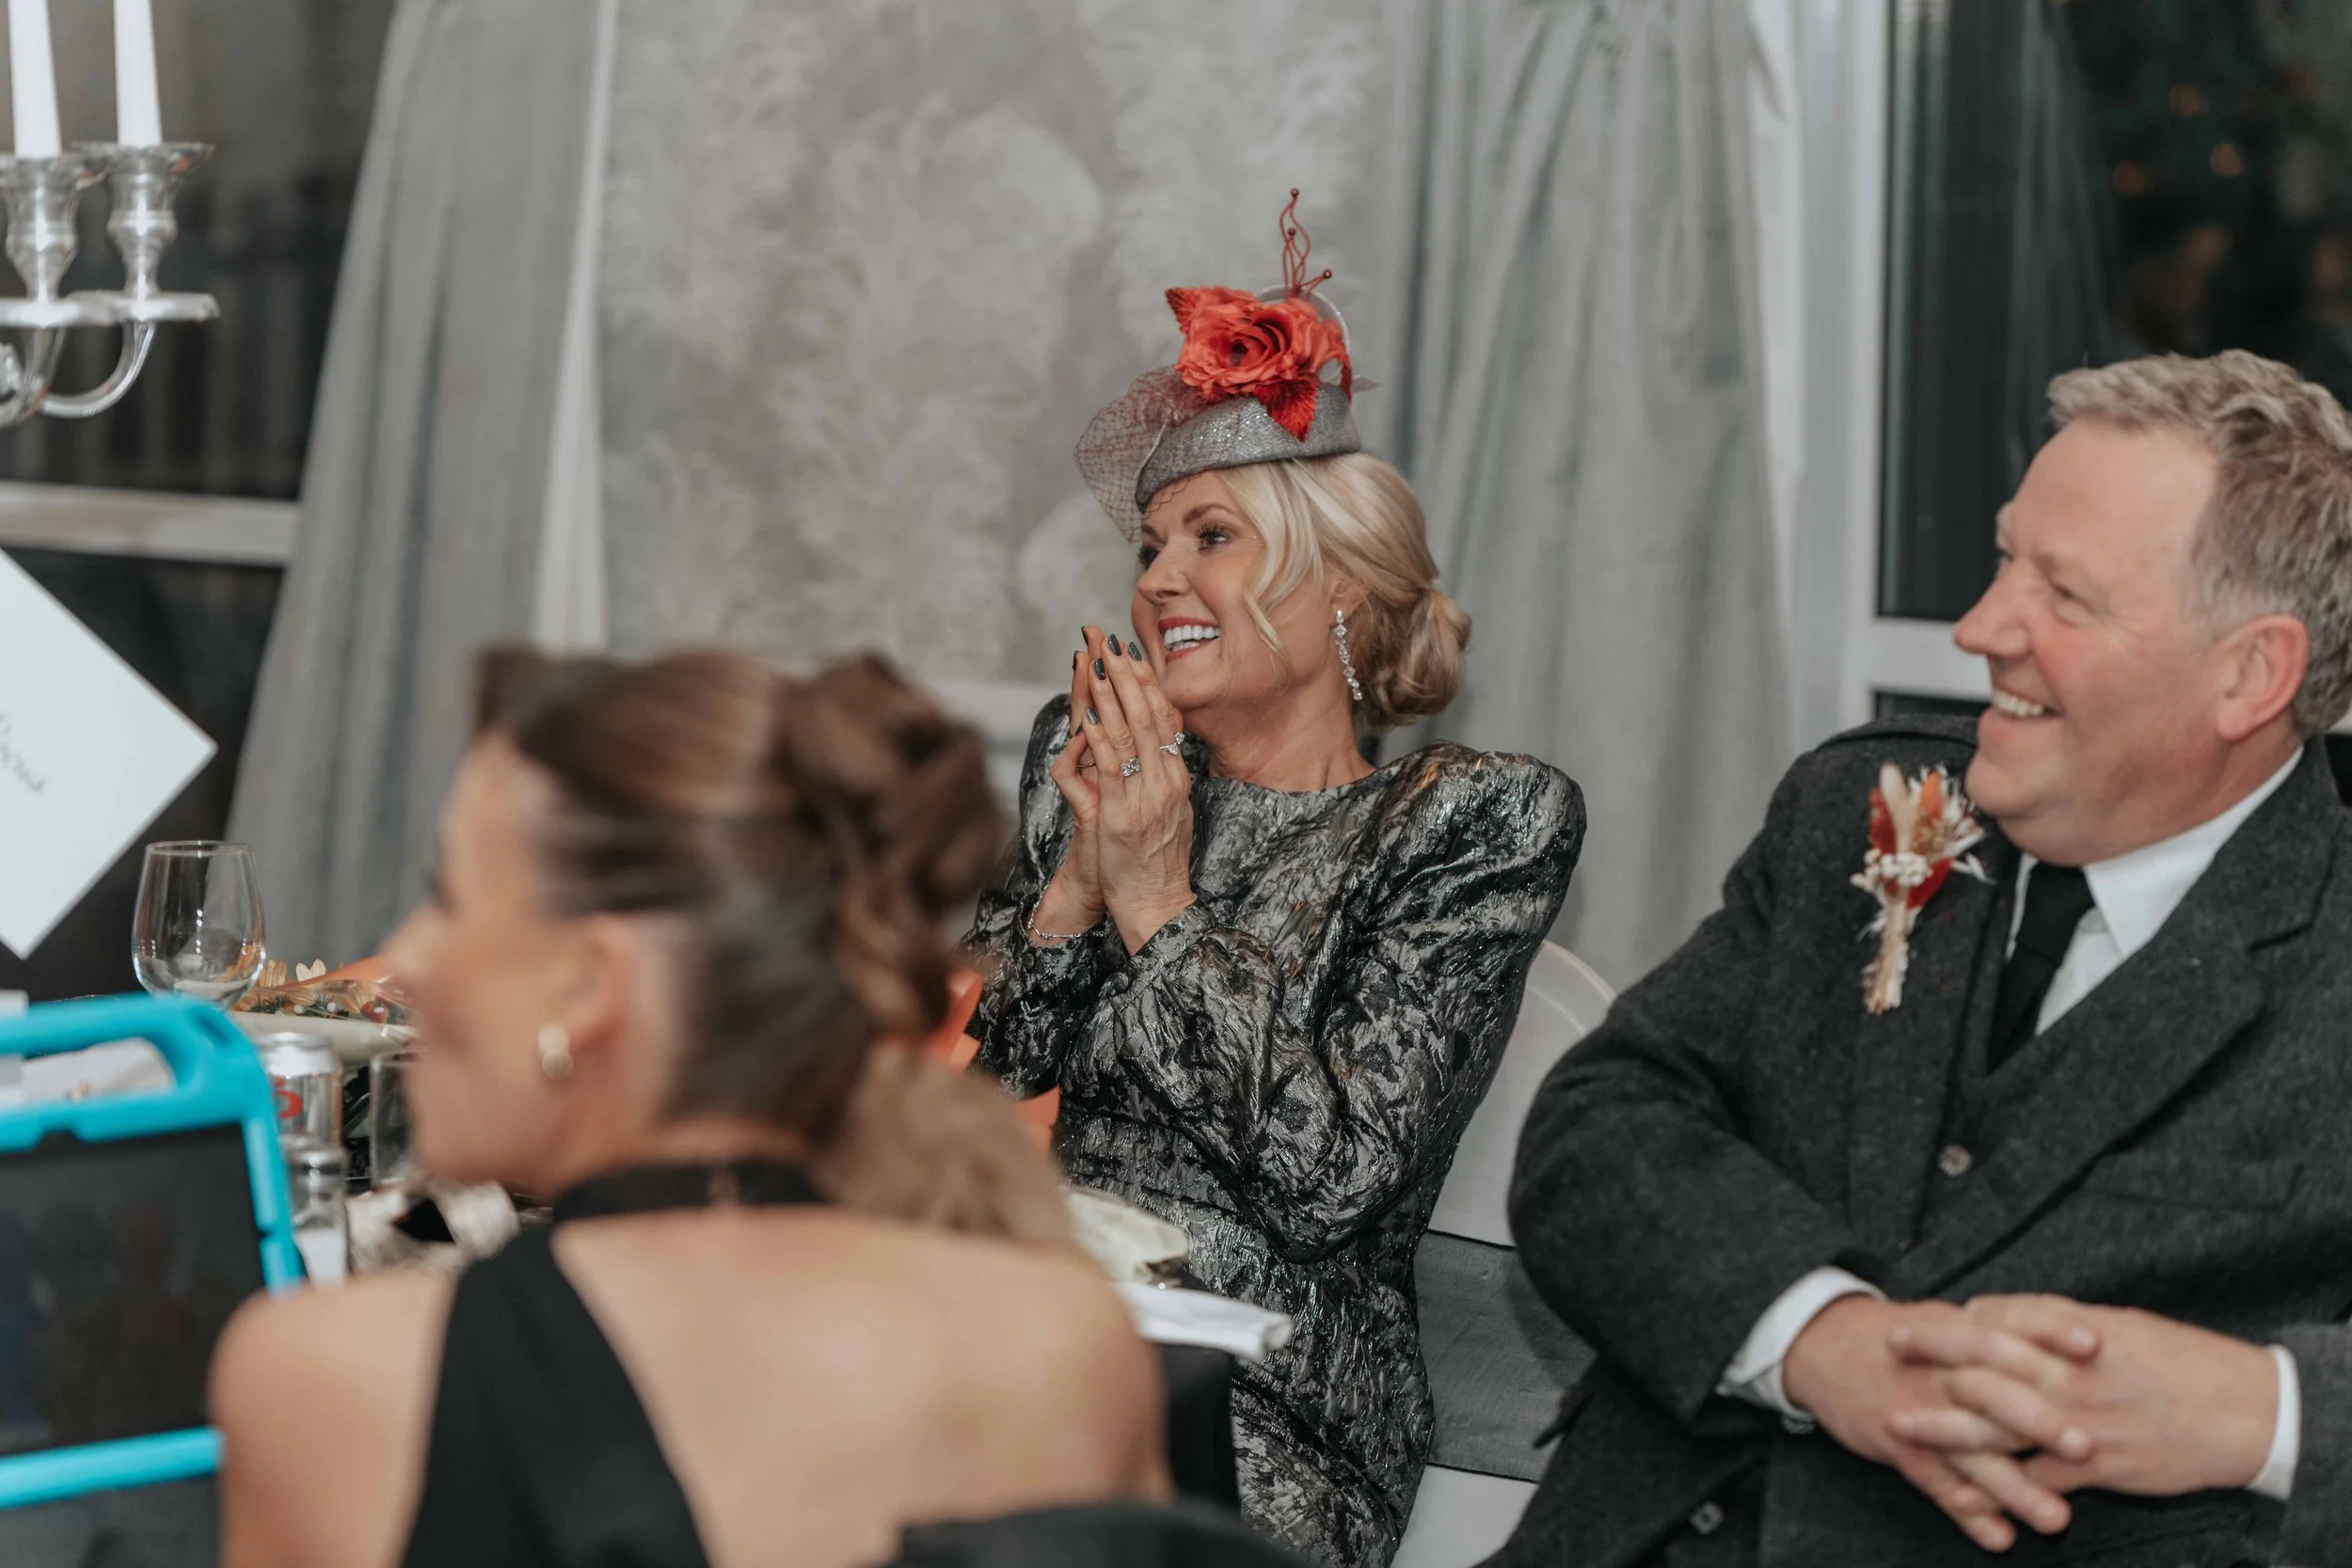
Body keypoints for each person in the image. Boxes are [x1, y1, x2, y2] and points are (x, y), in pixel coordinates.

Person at [1494, 349, 2352, 1568]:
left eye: (2064, 594)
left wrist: (2251, 1407)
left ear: (2249, 673)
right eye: (2005, 558)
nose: (1978, 627)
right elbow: (1600, 1126)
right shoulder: (1861, 804)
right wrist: (1817, 1338)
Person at [209, 649, 1170, 1568]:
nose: (410, 954)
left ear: (589, 986)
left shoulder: (345, 1380)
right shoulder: (1069, 1348)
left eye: (450, 897)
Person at [964, 199, 1583, 1567]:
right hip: (1033, 1338)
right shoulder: (1095, 765)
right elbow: (981, 1090)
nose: (1159, 579)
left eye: (1211, 536)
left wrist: (1156, 897)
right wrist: (1073, 892)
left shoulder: (1470, 819)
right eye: (1149, 546)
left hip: (1265, 1404)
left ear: (1339, 583)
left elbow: (1331, 1179)